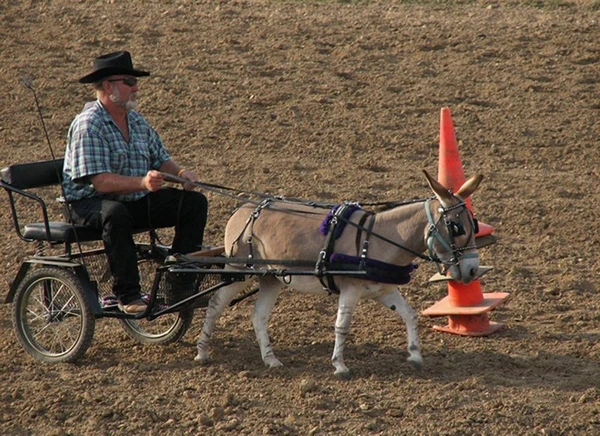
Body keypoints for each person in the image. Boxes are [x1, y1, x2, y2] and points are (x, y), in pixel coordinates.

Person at [63, 51, 208, 314]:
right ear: (108, 86)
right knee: (115, 214)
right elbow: (101, 183)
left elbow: (161, 158)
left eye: (135, 81)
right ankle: (127, 294)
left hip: (133, 200)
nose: (136, 87)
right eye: (129, 81)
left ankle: (179, 284)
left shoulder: (137, 121)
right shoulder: (89, 125)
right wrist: (143, 182)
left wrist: (182, 173)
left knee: (193, 203)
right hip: (88, 204)